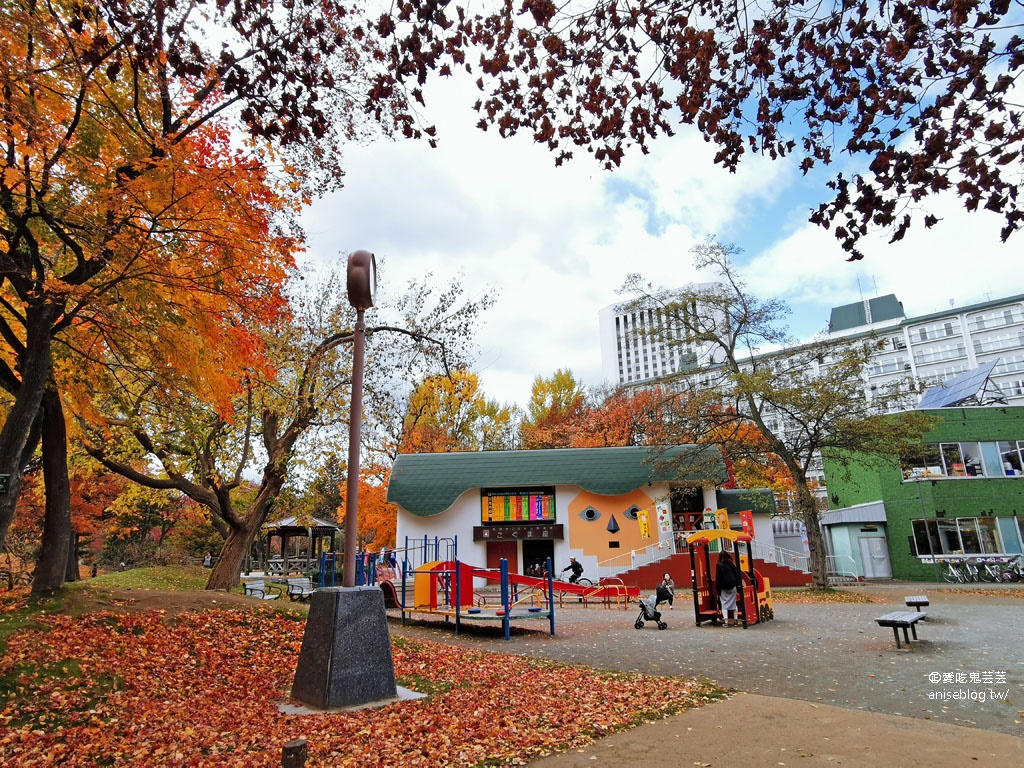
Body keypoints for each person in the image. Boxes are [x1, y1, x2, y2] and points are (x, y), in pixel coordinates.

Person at [715, 550, 743, 627]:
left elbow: (718, 578)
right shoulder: (732, 564)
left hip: (723, 587)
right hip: (733, 586)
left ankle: (726, 622)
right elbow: (737, 574)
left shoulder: (719, 565)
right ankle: (736, 620)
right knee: (733, 603)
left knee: (724, 604)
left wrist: (718, 590)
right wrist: (738, 587)